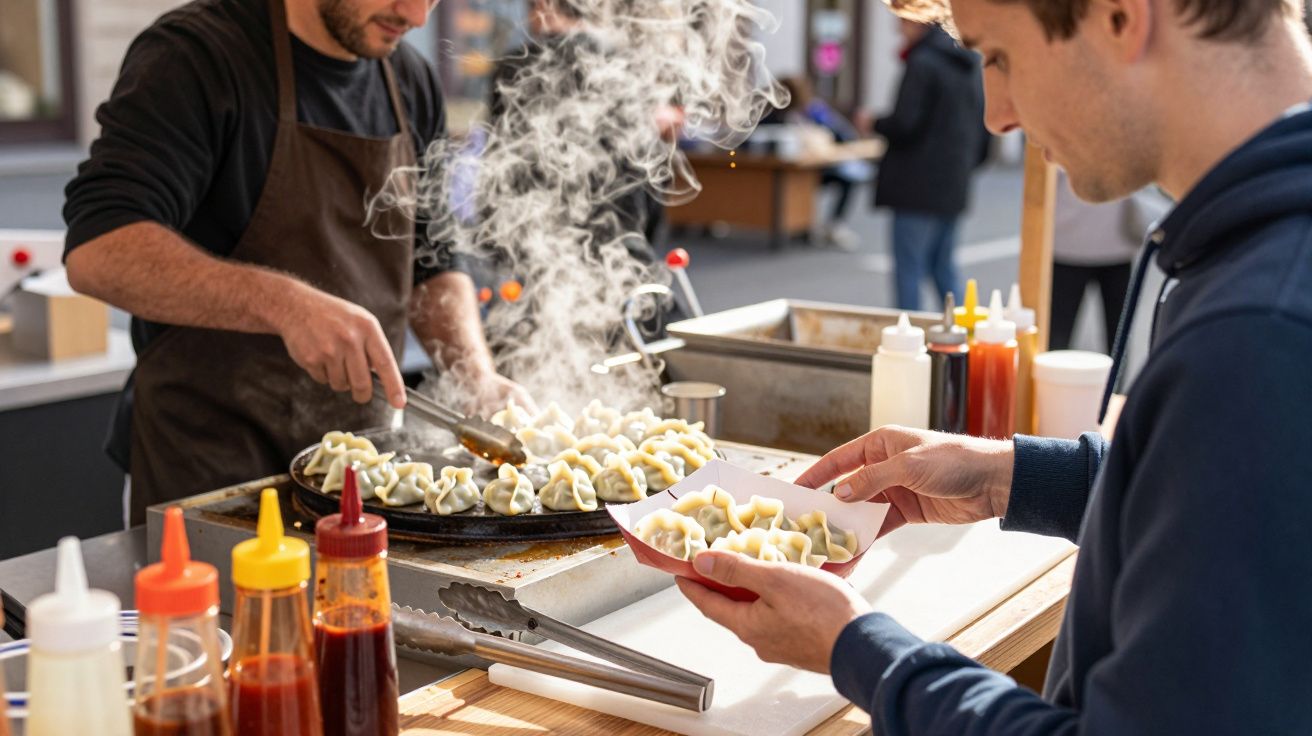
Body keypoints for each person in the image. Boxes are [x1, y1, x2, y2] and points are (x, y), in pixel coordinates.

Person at [679, 0, 1312, 733]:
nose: (996, 115)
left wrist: (859, 648)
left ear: (1119, 15)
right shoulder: (1261, 268)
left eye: (999, 56)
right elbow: (1208, 490)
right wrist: (1008, 476)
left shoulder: (1260, 331)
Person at [62, 0, 532, 524]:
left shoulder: (410, 81)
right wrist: (285, 304)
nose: (417, 16)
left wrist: (475, 373)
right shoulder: (196, 56)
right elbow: (99, 249)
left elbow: (434, 261)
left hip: (361, 474)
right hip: (210, 474)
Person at [870, 19, 985, 311]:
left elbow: (905, 124)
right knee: (943, 267)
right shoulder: (969, 64)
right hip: (954, 183)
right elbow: (985, 132)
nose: (898, 29)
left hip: (915, 186)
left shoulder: (923, 62)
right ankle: (961, 339)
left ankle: (908, 344)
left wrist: (874, 123)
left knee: (909, 269)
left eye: (902, 22)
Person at [1050, 170, 1170, 351]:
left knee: (1060, 334)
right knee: (1118, 336)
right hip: (1109, 245)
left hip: (1073, 244)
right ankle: (1115, 379)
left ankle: (1055, 378)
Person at [767, 76, 875, 250]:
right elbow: (844, 134)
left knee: (846, 179)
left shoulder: (814, 110)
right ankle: (818, 225)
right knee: (797, 184)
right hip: (791, 168)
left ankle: (826, 225)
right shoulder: (775, 113)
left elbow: (841, 133)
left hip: (815, 166)